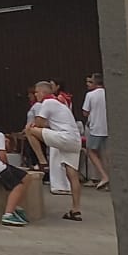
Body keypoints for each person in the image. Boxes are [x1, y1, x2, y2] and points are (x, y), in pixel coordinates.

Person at [26, 80, 84, 219]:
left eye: (37, 92)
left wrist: (34, 124)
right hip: (75, 140)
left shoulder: (47, 103)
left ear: (43, 92)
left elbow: (39, 123)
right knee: (73, 175)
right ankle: (76, 210)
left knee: (29, 130)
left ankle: (42, 162)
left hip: (63, 137)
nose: (35, 95)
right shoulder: (60, 104)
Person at [0, 128, 43, 226]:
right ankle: (8, 214)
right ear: (7, 140)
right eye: (8, 146)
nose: (8, 148)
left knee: (26, 177)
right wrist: (9, 167)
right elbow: (2, 156)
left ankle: (16, 206)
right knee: (18, 185)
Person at [82, 73, 110, 188]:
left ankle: (104, 176)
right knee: (106, 154)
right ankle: (108, 177)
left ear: (95, 83)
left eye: (90, 82)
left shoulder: (90, 95)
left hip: (95, 127)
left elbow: (85, 112)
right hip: (107, 127)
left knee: (91, 151)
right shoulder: (108, 93)